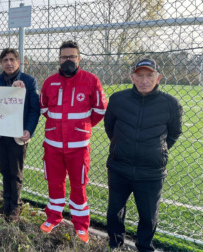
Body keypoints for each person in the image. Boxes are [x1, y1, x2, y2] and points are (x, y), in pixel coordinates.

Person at [104, 59, 183, 252]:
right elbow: (110, 127)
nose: (144, 80)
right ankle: (115, 245)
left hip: (151, 172)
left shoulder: (171, 104)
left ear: (158, 78)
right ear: (132, 77)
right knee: (114, 212)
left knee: (148, 216)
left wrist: (157, 151)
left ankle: (144, 247)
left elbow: (174, 133)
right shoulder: (118, 99)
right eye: (140, 75)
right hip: (119, 167)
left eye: (149, 75)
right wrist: (122, 147)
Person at [39, 41, 107, 243]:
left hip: (78, 147)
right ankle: (53, 217)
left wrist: (81, 127)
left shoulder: (91, 80)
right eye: (64, 57)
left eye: (72, 57)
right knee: (54, 183)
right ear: (59, 59)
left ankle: (80, 224)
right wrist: (57, 127)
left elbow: (100, 110)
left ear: (79, 59)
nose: (67, 60)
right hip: (52, 145)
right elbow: (44, 108)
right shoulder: (49, 82)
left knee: (79, 185)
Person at [0, 48, 40, 222]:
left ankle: (15, 206)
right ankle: (6, 202)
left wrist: (29, 128)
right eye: (5, 60)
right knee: (4, 169)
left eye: (12, 59)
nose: (9, 63)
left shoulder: (29, 81)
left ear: (19, 62)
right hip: (2, 133)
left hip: (18, 134)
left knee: (16, 172)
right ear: (1, 62)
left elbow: (34, 108)